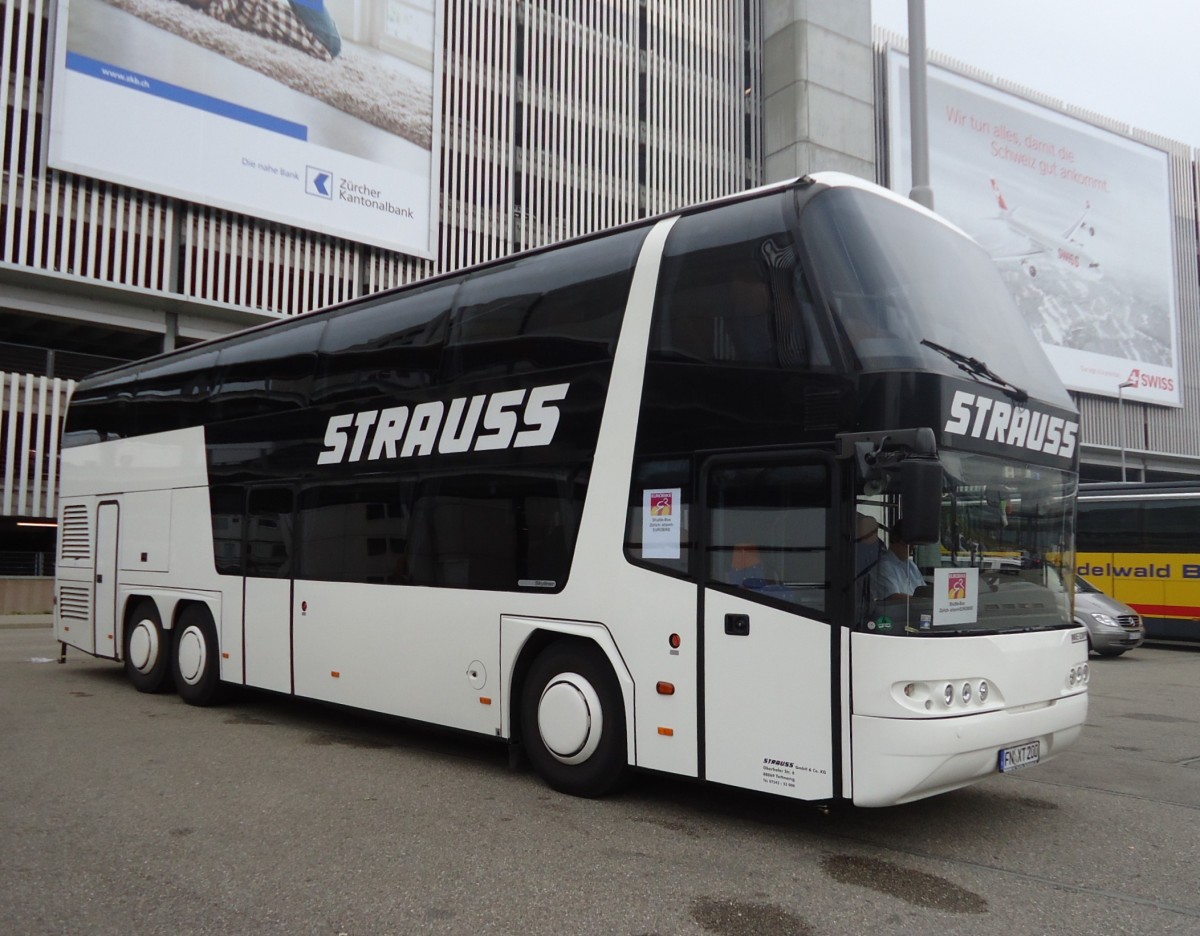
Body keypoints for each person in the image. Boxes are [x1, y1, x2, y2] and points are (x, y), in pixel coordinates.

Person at [873, 528, 925, 600]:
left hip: (918, 606)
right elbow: (893, 597)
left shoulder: (911, 565)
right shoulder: (883, 565)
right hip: (899, 607)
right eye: (908, 544)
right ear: (895, 540)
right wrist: (923, 601)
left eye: (914, 544)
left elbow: (923, 590)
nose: (912, 548)